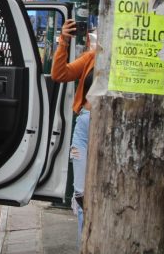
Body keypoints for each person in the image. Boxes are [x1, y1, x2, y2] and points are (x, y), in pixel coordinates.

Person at [51, 18, 96, 244]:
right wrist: (64, 41)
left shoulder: (133, 60)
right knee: (80, 195)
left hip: (113, 129)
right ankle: (84, 246)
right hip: (85, 126)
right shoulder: (92, 57)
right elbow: (59, 74)